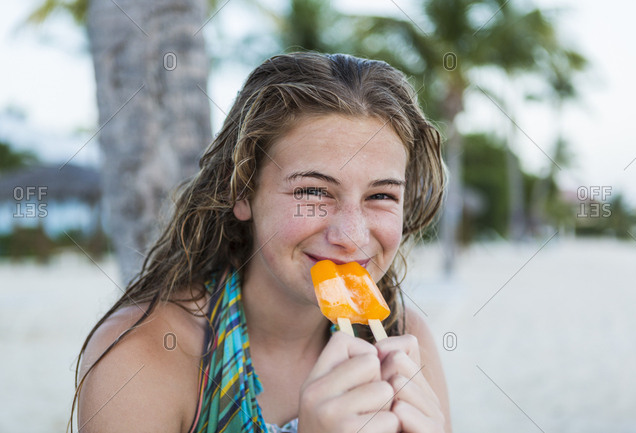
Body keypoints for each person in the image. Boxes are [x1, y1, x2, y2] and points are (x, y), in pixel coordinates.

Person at [71, 52, 450, 433]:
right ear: (242, 190)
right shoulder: (144, 355)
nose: (351, 236)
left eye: (381, 196)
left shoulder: (403, 337)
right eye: (313, 191)